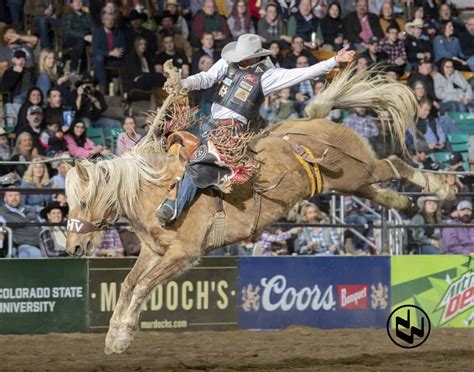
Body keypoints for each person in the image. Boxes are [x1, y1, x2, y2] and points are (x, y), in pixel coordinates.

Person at [156, 33, 355, 225]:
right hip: (209, 122)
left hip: (230, 134)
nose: (238, 60)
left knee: (199, 162)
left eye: (243, 58)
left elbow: (303, 73)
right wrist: (183, 83)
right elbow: (206, 78)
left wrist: (334, 60)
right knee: (167, 136)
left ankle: (173, 206)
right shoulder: (228, 62)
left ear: (252, 58)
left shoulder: (268, 76)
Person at [0, 188, 43, 258]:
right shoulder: (2, 213)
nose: (14, 198)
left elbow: (42, 225)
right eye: (10, 196)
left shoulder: (28, 211)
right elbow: (2, 230)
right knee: (34, 254)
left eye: (17, 195)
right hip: (22, 245)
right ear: (5, 199)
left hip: (42, 243)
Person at [92, 12, 128, 89]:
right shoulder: (97, 32)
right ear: (103, 21)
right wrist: (110, 53)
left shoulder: (119, 33)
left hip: (116, 59)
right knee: (98, 58)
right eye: (107, 19)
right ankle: (103, 85)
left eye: (112, 20)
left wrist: (118, 51)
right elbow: (95, 50)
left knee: (128, 59)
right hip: (103, 60)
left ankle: (126, 90)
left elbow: (124, 47)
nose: (110, 21)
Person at [61, 0, 93, 74]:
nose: (78, 3)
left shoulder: (87, 15)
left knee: (95, 41)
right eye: (76, 1)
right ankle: (73, 68)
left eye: (80, 1)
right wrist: (83, 36)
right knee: (80, 41)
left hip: (85, 40)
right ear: (71, 4)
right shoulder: (68, 15)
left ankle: (87, 71)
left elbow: (93, 28)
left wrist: (94, 36)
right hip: (70, 39)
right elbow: (68, 31)